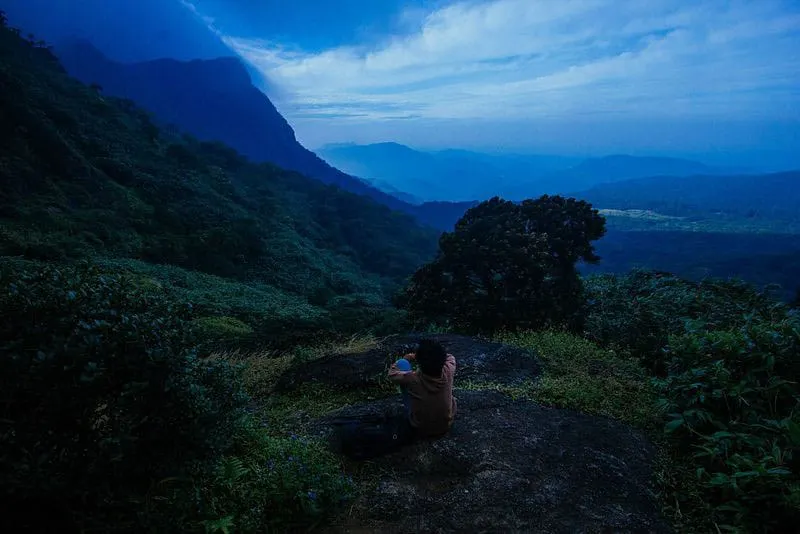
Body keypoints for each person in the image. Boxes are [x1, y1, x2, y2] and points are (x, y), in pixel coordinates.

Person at [387, 338, 458, 438]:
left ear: (420, 362)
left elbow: (392, 375)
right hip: (445, 426)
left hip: (420, 427)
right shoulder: (449, 369)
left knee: (402, 363)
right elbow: (450, 357)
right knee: (450, 397)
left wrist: (408, 358)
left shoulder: (412, 379)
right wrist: (431, 355)